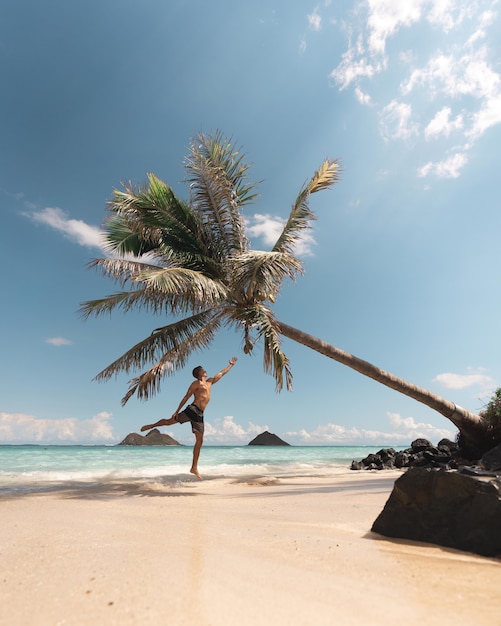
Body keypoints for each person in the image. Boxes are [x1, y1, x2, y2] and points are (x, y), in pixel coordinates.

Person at [140, 357, 237, 479]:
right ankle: (152, 425)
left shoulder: (210, 382)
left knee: (200, 441)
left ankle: (194, 467)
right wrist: (176, 411)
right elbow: (186, 397)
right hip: (192, 410)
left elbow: (221, 373)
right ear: (200, 373)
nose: (206, 371)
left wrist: (231, 365)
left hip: (200, 414)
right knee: (169, 422)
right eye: (204, 370)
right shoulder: (196, 384)